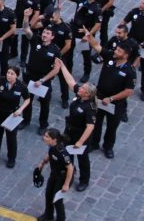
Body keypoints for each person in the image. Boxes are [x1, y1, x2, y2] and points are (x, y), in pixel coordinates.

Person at [82, 31, 135, 159]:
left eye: (119, 51)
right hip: (99, 97)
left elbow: (129, 91)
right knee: (97, 122)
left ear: (125, 55)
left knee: (111, 126)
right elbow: (98, 47)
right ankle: (94, 143)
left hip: (115, 104)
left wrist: (111, 98)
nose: (115, 52)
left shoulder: (129, 71)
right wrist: (90, 37)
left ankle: (108, 147)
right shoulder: (111, 57)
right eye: (116, 50)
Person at [57, 59, 96, 192]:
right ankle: (70, 174)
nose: (80, 88)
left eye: (83, 88)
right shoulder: (80, 96)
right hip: (69, 131)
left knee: (83, 158)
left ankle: (84, 180)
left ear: (87, 94)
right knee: (68, 154)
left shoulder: (90, 108)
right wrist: (62, 66)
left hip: (81, 135)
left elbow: (90, 127)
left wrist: (80, 142)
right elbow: (70, 82)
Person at [0, 66, 30, 168]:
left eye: (12, 73)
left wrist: (20, 110)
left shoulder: (21, 86)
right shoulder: (1, 81)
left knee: (11, 138)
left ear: (17, 75)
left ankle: (11, 158)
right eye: (8, 72)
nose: (9, 75)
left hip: (12, 115)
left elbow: (27, 99)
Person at [22, 18, 62, 134]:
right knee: (27, 99)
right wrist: (25, 17)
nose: (44, 35)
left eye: (48, 33)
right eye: (44, 32)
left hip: (43, 80)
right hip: (29, 76)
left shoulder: (55, 50)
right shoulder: (36, 40)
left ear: (52, 37)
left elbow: (56, 70)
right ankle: (26, 120)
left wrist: (42, 80)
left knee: (44, 104)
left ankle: (43, 124)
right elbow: (26, 29)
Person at [35, 129, 73, 221]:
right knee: (48, 194)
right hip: (54, 174)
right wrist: (42, 163)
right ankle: (48, 215)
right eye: (45, 135)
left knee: (57, 200)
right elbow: (50, 154)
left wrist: (66, 184)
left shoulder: (63, 153)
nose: (44, 137)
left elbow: (70, 168)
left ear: (54, 139)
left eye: (47, 136)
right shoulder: (52, 147)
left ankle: (61, 218)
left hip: (63, 177)